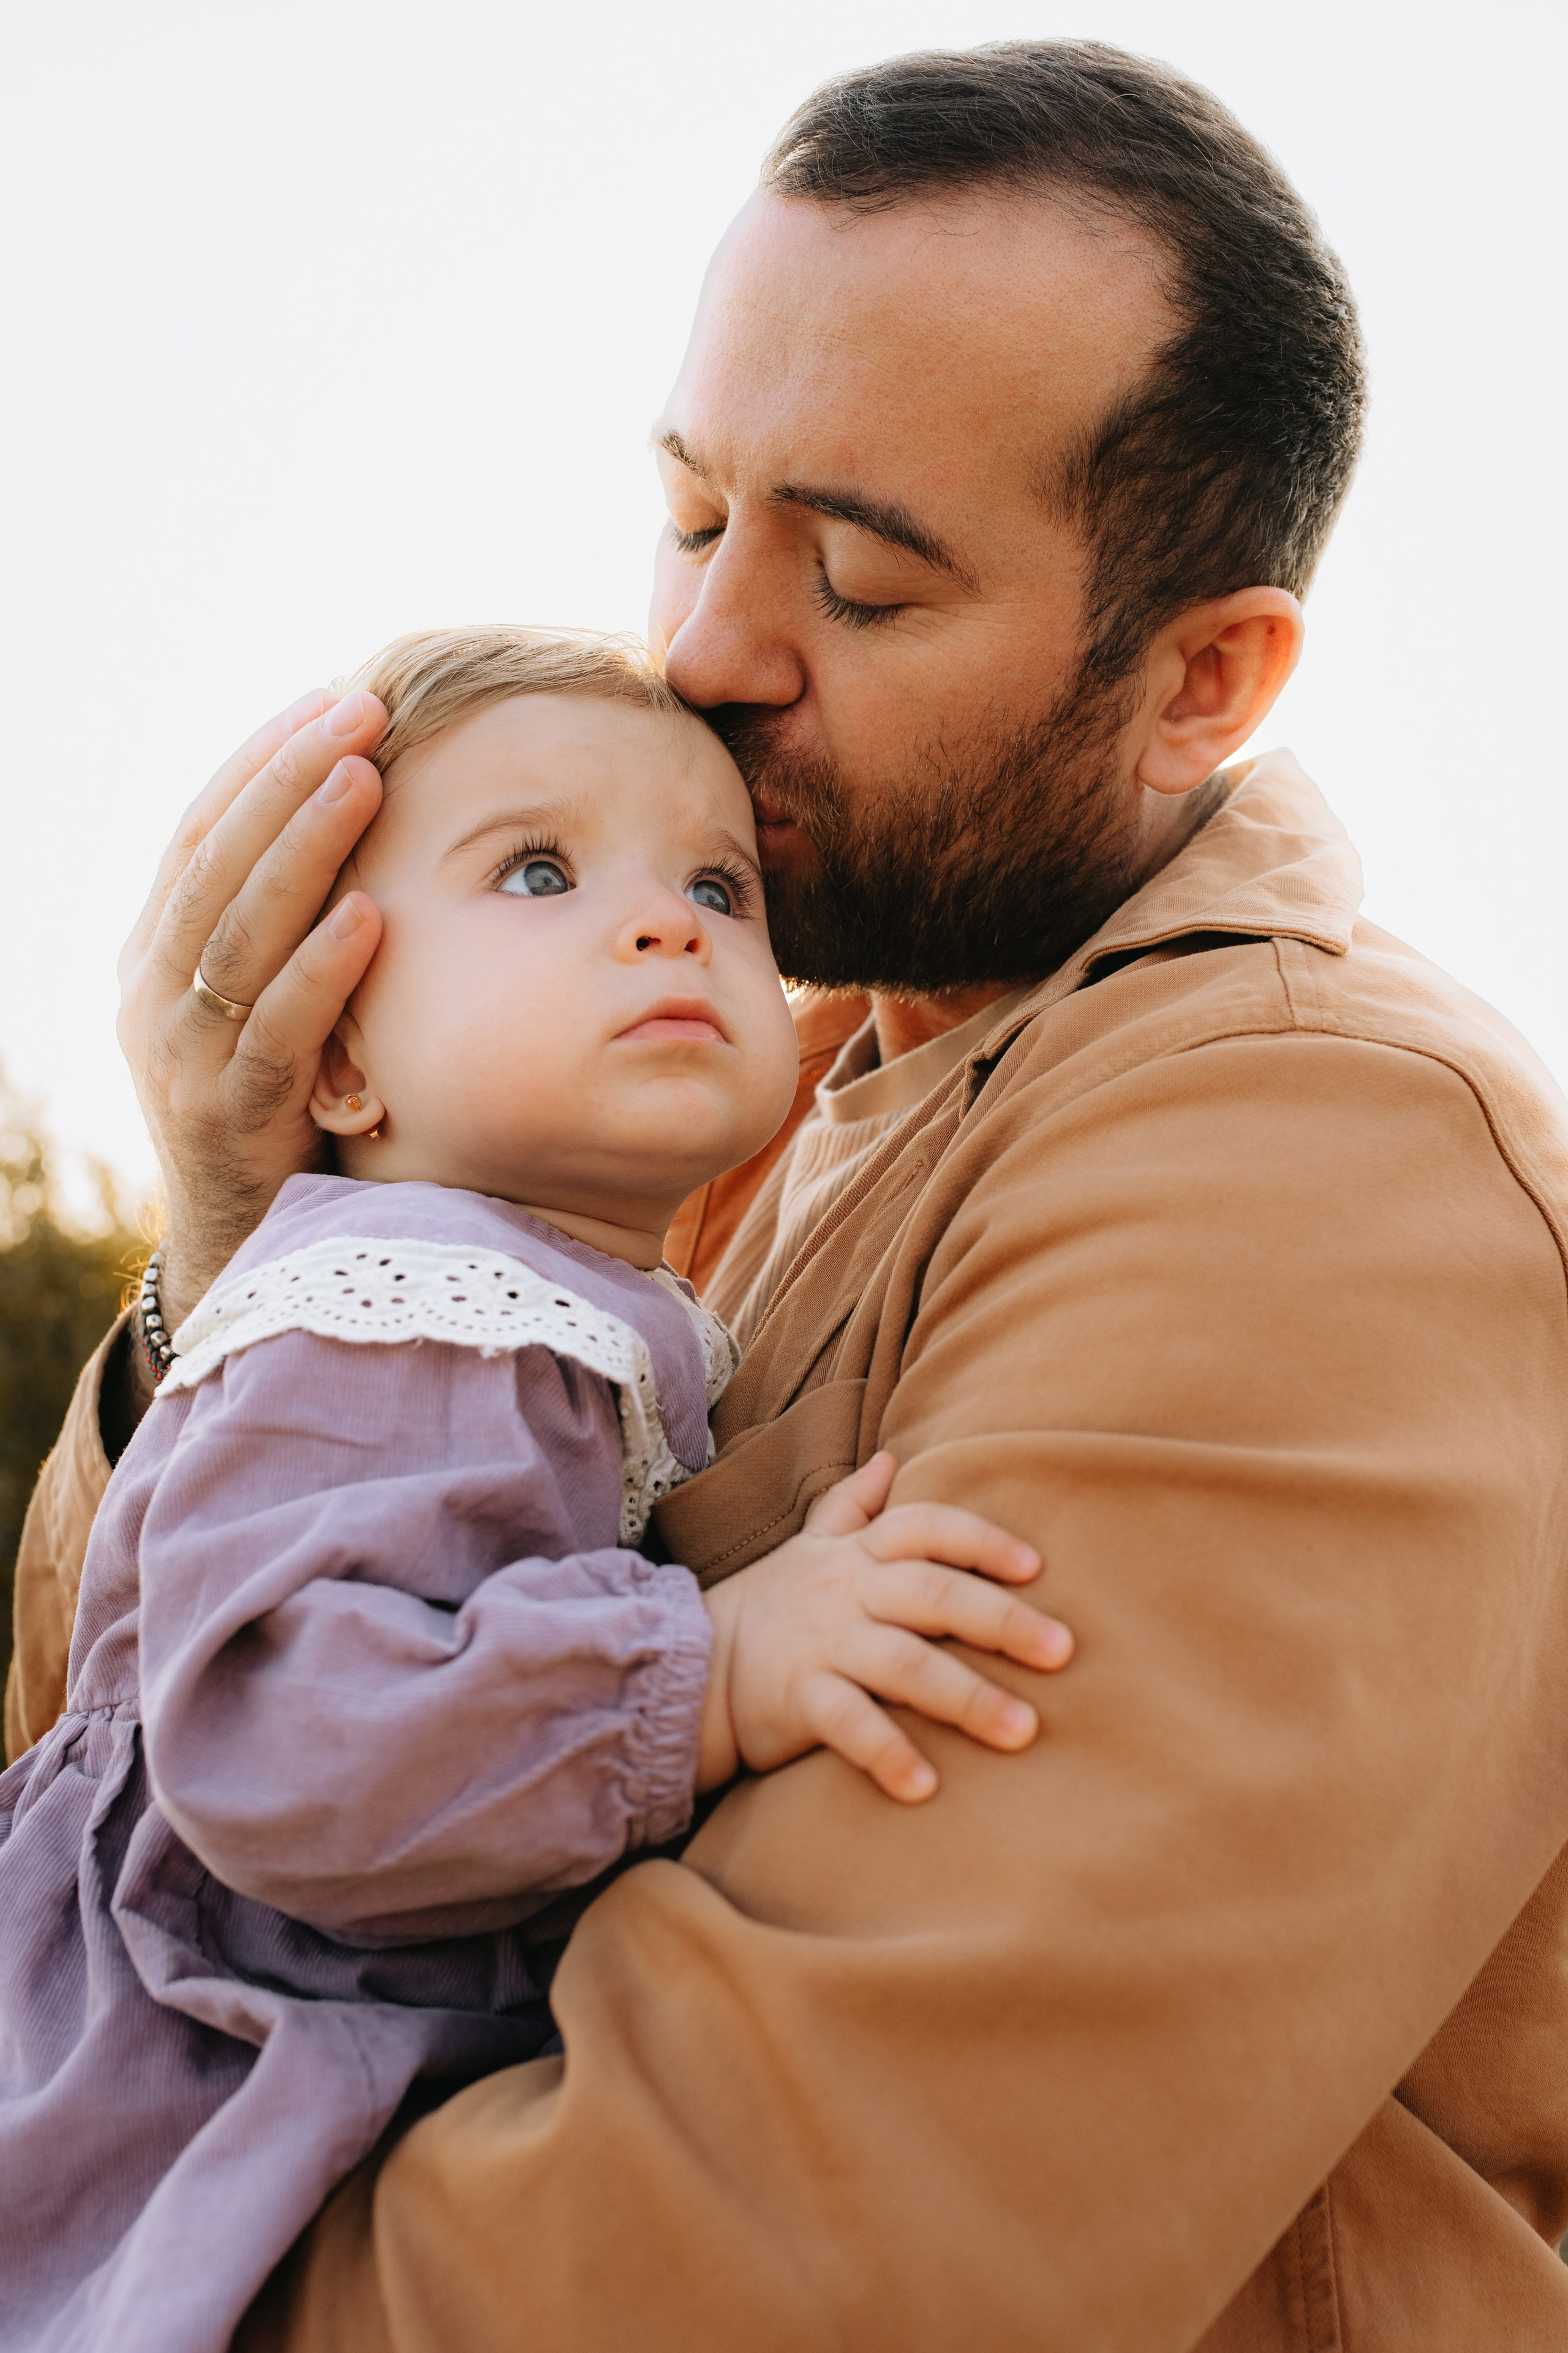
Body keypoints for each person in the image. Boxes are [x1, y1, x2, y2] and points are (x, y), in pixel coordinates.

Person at [12, 38, 1568, 2352]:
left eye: (858, 579)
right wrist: (242, 1255)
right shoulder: (706, 1092)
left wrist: (107, 2269)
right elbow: (131, 1829)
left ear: (1201, 677)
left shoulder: (1315, 1174)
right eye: (691, 509)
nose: (710, 648)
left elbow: (753, 2264)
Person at [0, 627, 1068, 2353]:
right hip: (159, 2089)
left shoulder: (553, 1305)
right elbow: (282, 1735)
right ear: (336, 1061)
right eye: (542, 871)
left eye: (719, 882)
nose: (665, 923)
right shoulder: (406, 1306)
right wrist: (707, 1669)